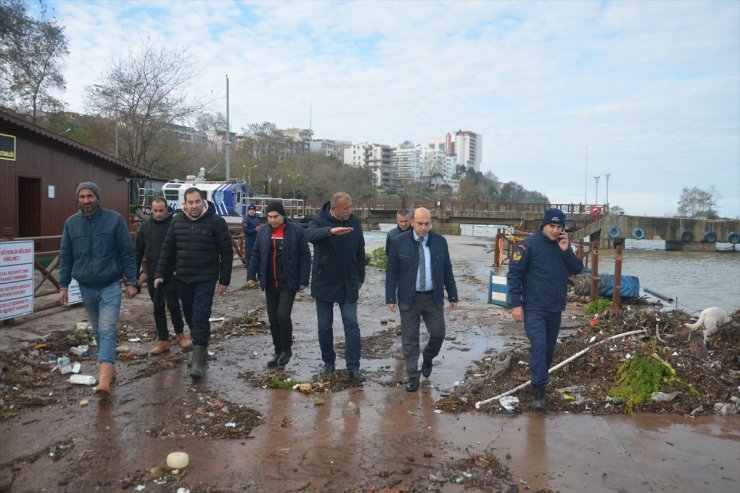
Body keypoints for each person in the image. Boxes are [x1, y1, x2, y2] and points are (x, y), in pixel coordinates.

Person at [58, 182, 138, 398]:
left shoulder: (114, 220)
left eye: (90, 196)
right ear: (78, 199)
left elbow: (127, 253)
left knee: (106, 329)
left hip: (110, 284)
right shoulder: (71, 224)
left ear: (98, 198)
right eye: (82, 197)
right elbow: (66, 257)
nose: (86, 201)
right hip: (86, 287)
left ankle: (103, 381)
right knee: (97, 330)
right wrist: (63, 285)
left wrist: (132, 281)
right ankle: (110, 368)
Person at [506, 207, 584, 411]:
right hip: (534, 308)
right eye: (552, 226)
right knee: (539, 347)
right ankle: (538, 392)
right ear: (544, 225)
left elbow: (577, 269)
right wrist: (516, 304)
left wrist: (566, 250)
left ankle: (539, 380)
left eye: (560, 227)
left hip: (555, 309)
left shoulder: (564, 247)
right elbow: (514, 275)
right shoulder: (528, 246)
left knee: (548, 351)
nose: (556, 230)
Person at [154, 187, 233, 379]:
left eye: (197, 201)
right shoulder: (177, 221)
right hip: (183, 277)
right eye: (190, 202)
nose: (194, 205)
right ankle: (202, 349)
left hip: (206, 277)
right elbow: (168, 250)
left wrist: (224, 280)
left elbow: (227, 252)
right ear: (185, 204)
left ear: (202, 201)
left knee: (200, 315)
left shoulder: (216, 222)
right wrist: (159, 273)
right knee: (189, 314)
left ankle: (197, 361)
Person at [385, 207, 458, 392]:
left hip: (433, 297)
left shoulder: (440, 242)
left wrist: (453, 294)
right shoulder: (399, 242)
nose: (423, 228)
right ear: (412, 222)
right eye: (419, 224)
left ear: (430, 223)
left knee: (438, 333)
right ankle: (412, 375)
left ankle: (427, 358)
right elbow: (392, 270)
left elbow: (447, 270)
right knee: (410, 338)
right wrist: (390, 296)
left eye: (427, 224)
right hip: (409, 298)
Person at [306, 191, 366, 382]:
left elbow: (360, 249)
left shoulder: (354, 222)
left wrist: (360, 276)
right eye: (346, 208)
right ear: (333, 209)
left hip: (348, 282)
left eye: (351, 207)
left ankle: (353, 366)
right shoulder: (319, 220)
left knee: (351, 324)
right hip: (324, 282)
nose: (350, 211)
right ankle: (328, 363)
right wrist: (330, 232)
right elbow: (309, 234)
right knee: (324, 326)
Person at [247, 201, 311, 367]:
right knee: (273, 318)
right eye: (269, 216)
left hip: (288, 282)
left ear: (283, 216)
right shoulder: (263, 231)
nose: (273, 220)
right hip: (269, 282)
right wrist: (251, 275)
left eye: (276, 216)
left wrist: (304, 279)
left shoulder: (296, 231)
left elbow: (305, 256)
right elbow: (255, 254)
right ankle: (277, 351)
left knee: (283, 315)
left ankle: (287, 349)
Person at [134, 197, 189, 355]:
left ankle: (180, 334)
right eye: (155, 210)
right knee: (157, 306)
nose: (158, 214)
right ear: (151, 210)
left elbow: (182, 247)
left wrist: (179, 268)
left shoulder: (174, 224)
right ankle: (163, 339)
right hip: (152, 273)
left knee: (173, 305)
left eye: (161, 210)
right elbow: (138, 252)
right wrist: (134, 276)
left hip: (172, 273)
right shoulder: (145, 227)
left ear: (167, 209)